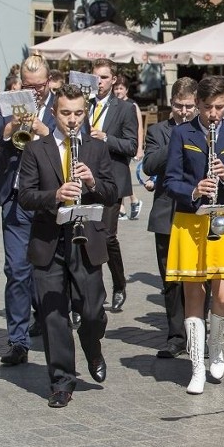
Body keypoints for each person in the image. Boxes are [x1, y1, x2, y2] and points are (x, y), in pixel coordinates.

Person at [17, 84, 118, 408]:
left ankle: (93, 348)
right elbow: (25, 195)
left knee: (91, 312)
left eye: (77, 113)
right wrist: (54, 196)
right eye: (65, 113)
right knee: (53, 316)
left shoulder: (96, 148)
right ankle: (61, 380)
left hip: (85, 239)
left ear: (84, 113)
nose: (72, 120)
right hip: (50, 241)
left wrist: (91, 183)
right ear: (54, 112)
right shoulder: (36, 148)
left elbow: (111, 192)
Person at [163, 76, 224, 394]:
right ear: (198, 104)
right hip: (191, 221)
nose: (213, 114)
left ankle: (215, 348)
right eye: (207, 108)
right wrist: (192, 189)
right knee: (194, 296)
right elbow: (169, 180)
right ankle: (197, 365)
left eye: (219, 107)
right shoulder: (182, 133)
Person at [0, 55, 56, 365]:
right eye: (27, 85)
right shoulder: (7, 103)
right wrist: (10, 127)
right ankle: (18, 341)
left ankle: (48, 321)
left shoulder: (61, 105)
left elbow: (78, 143)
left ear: (49, 82)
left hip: (49, 198)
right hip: (15, 200)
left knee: (48, 270)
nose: (33, 91)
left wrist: (43, 130)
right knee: (16, 270)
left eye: (38, 86)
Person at [142, 77, 198, 358]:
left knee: (200, 277)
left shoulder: (206, 130)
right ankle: (176, 335)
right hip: (167, 213)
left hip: (198, 213)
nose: (184, 112)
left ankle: (198, 331)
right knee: (170, 279)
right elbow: (149, 164)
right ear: (171, 103)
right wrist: (178, 138)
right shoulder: (159, 131)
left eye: (189, 106)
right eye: (179, 106)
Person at [88, 58, 139, 312]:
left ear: (114, 80)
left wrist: (105, 137)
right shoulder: (83, 105)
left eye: (104, 77)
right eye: (96, 77)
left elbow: (131, 145)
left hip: (112, 179)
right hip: (85, 177)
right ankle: (92, 291)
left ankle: (119, 283)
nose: (99, 82)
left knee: (107, 236)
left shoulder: (124, 108)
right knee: (86, 236)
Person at [113, 75, 144, 221]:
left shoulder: (131, 105)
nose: (118, 91)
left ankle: (130, 202)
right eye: (116, 88)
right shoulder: (112, 104)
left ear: (126, 90)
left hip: (126, 145)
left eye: (121, 88)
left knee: (121, 175)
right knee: (120, 176)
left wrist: (139, 148)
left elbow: (139, 128)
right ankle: (126, 205)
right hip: (116, 144)